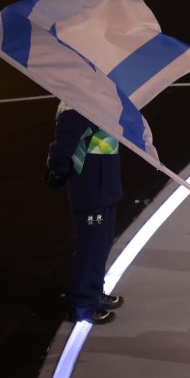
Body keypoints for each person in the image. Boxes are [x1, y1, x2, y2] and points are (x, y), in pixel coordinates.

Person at [44, 103, 126, 324]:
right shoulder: (75, 104)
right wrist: (56, 170)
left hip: (106, 184)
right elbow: (64, 144)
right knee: (91, 247)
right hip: (90, 187)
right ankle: (84, 304)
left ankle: (93, 291)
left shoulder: (99, 97)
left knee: (101, 244)